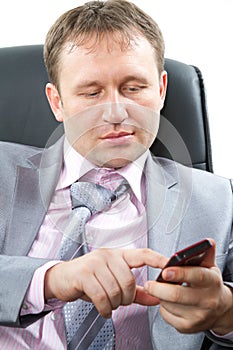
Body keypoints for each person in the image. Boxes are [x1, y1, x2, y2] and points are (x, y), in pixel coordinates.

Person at [0, 0, 232, 349]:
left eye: (134, 88)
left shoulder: (220, 199)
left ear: (161, 90)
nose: (115, 113)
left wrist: (226, 311)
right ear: (57, 102)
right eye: (92, 93)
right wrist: (51, 280)